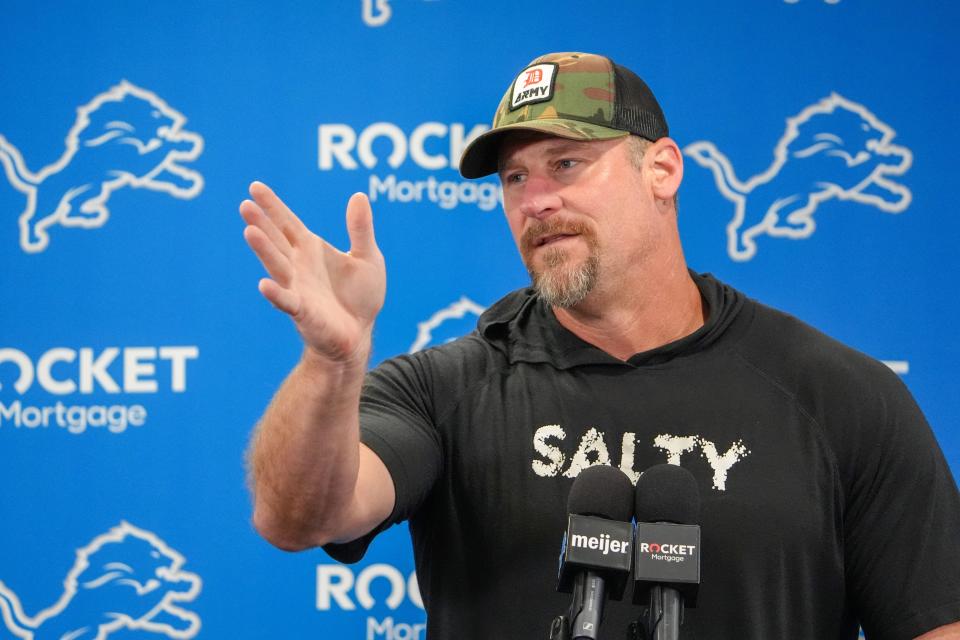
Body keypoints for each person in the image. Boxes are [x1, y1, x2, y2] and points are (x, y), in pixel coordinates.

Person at [241, 52, 960, 639]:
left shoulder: (839, 396)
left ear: (663, 170)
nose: (535, 200)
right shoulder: (442, 390)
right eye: (514, 178)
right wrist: (331, 363)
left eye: (566, 165)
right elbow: (298, 517)